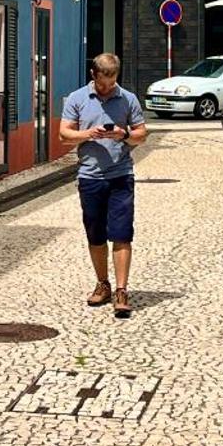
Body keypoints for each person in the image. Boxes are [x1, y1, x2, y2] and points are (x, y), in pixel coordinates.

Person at [59, 53, 149, 319]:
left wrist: (125, 135)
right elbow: (64, 134)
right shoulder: (77, 99)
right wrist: (89, 134)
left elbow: (142, 136)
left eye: (112, 83)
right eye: (103, 84)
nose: (108, 89)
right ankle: (103, 284)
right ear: (93, 75)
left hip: (121, 176)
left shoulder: (128, 99)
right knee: (95, 234)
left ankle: (122, 290)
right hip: (90, 177)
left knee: (122, 233)